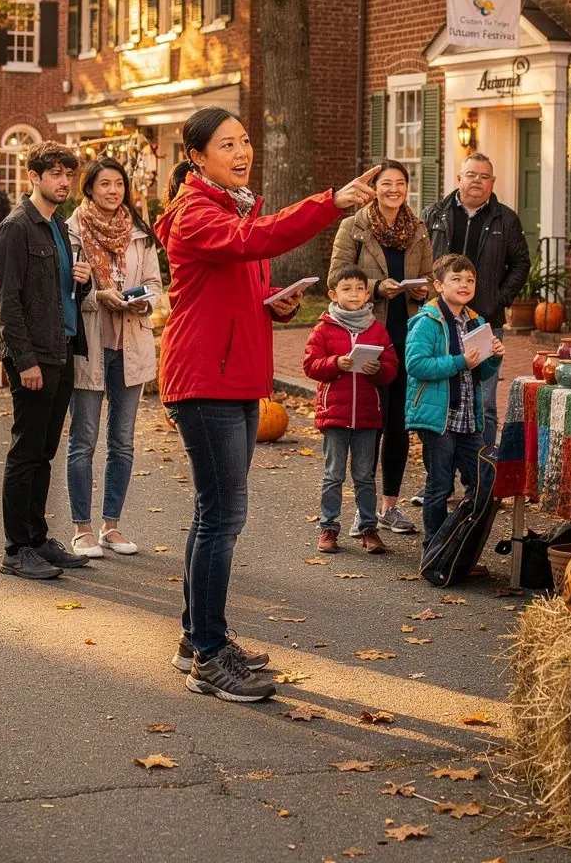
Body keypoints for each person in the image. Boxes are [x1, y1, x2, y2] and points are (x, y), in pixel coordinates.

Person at [155, 104, 379, 704]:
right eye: (227, 144)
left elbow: (234, 280)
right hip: (204, 380)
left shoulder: (231, 207)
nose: (242, 151)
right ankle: (208, 655)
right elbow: (256, 239)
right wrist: (329, 203)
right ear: (197, 157)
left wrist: (273, 302)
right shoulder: (196, 213)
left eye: (245, 140)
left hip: (232, 378)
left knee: (214, 514)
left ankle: (197, 639)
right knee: (222, 516)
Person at [0, 141, 93, 582]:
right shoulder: (16, 228)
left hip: (61, 349)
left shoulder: (58, 227)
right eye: (55, 173)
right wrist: (25, 360)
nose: (64, 181)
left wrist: (83, 282)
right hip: (33, 357)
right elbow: (7, 303)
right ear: (33, 177)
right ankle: (17, 549)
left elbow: (61, 293)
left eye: (68, 174)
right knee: (26, 451)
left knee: (44, 451)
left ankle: (37, 537)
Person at [65, 157, 164, 558]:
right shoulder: (71, 231)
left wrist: (144, 301)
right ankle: (82, 529)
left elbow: (155, 284)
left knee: (122, 441)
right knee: (84, 439)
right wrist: (96, 296)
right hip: (89, 346)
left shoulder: (140, 233)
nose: (113, 191)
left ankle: (111, 526)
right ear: (89, 188)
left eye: (119, 184)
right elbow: (63, 288)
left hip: (130, 345)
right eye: (104, 184)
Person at [328, 160, 434, 533]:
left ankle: (389, 505)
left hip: (408, 337)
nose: (393, 189)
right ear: (374, 188)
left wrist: (422, 291)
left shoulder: (417, 229)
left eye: (400, 183)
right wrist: (375, 288)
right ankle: (364, 509)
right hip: (369, 335)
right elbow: (336, 277)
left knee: (398, 425)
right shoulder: (353, 227)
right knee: (371, 425)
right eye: (386, 183)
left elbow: (430, 277)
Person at [423, 153, 529, 447]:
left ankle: (482, 470)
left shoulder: (506, 219)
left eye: (484, 177)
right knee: (442, 398)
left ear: (492, 182)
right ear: (459, 178)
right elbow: (420, 260)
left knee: (484, 401)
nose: (477, 182)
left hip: (483, 321)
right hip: (440, 321)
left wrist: (499, 299)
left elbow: (521, 263)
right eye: (471, 175)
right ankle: (442, 467)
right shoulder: (434, 214)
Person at [404, 253, 504, 551]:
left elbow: (481, 372)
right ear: (438, 285)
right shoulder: (428, 322)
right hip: (439, 418)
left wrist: (493, 358)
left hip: (468, 418)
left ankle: (459, 546)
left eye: (470, 280)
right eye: (456, 279)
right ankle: (434, 549)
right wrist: (460, 361)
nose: (464, 285)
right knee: (440, 485)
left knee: (481, 481)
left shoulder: (476, 321)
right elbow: (415, 364)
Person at [303, 265, 398, 555]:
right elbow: (310, 365)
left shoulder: (376, 329)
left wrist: (377, 368)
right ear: (333, 294)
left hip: (368, 416)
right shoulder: (323, 328)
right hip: (335, 415)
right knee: (333, 475)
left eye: (359, 289)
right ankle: (328, 528)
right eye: (347, 289)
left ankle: (369, 528)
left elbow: (391, 368)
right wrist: (335, 363)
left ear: (367, 294)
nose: (354, 294)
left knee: (364, 476)